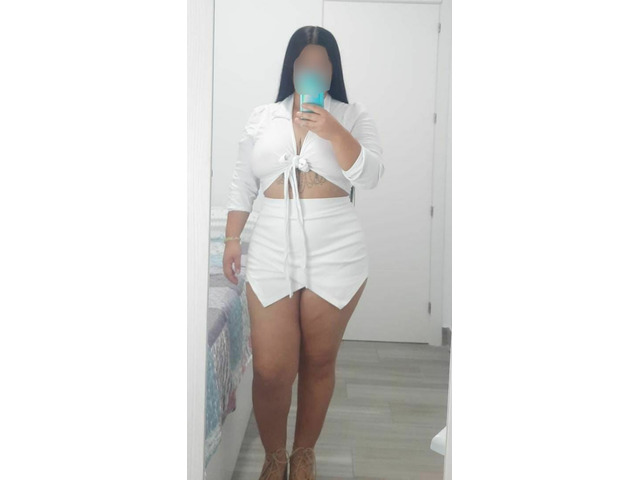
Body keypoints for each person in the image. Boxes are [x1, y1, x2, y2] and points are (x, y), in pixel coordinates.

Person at [223, 25, 384, 480]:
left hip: (337, 250)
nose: (312, 70)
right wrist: (233, 238)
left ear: (332, 70)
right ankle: (274, 456)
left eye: (321, 63)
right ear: (291, 68)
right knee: (272, 368)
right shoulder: (263, 116)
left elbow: (370, 175)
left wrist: (332, 129)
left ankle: (304, 454)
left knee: (318, 361)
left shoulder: (352, 115)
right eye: (304, 63)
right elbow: (242, 182)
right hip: (272, 246)